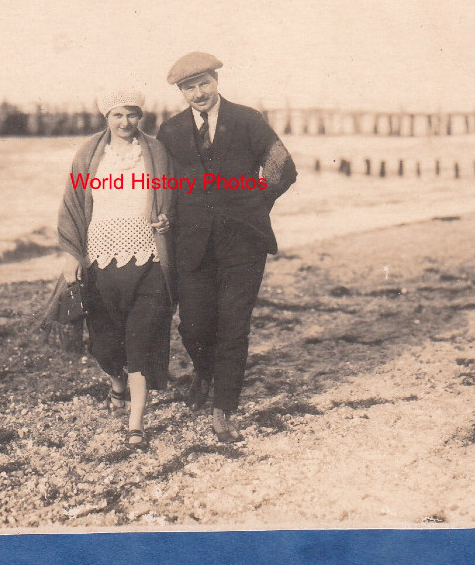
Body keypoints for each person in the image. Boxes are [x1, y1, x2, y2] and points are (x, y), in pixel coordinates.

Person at [156, 52, 297, 443]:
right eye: (189, 88)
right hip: (192, 243)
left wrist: (253, 204)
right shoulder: (170, 131)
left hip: (243, 242)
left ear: (216, 81)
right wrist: (163, 217)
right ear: (181, 92)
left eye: (204, 83)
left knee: (234, 324)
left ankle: (223, 407)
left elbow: (282, 167)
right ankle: (204, 370)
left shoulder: (247, 119)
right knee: (194, 324)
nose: (198, 93)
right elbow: (163, 184)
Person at [56, 89, 174, 449]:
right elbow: (72, 205)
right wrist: (71, 256)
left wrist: (168, 220)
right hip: (100, 262)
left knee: (140, 342)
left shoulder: (156, 151)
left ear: (142, 117)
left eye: (132, 115)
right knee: (105, 347)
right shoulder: (90, 154)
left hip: (149, 260)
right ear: (106, 118)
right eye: (118, 115)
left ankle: (136, 422)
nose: (126, 123)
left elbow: (171, 197)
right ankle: (116, 384)